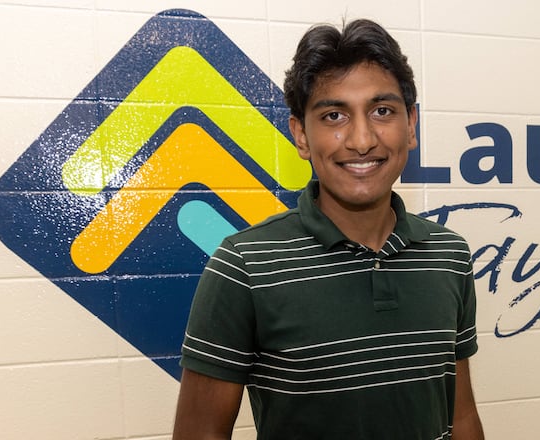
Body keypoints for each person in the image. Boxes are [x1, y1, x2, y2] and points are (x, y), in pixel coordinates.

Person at [173, 18, 484, 440]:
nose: (361, 139)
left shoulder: (448, 255)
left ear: (410, 124)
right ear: (301, 134)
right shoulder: (244, 266)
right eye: (334, 115)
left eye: (382, 111)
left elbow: (461, 416)